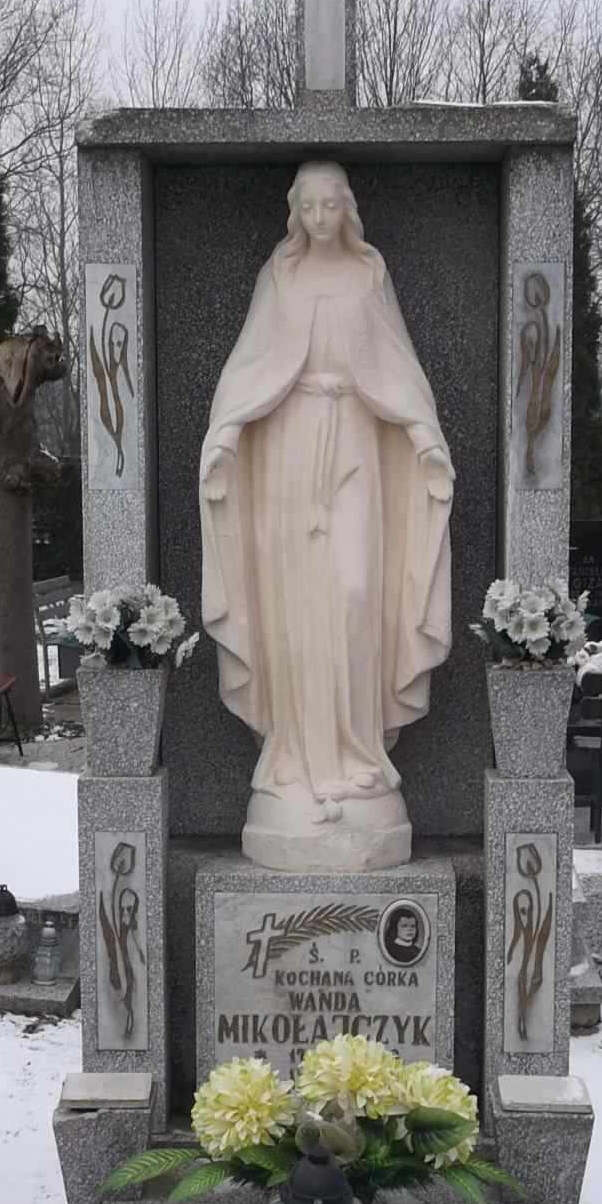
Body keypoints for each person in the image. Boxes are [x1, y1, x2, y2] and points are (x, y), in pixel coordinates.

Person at [199, 160, 454, 872]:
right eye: (307, 207)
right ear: (295, 211)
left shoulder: (370, 275)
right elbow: (249, 368)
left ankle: (358, 754)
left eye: (329, 206)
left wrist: (425, 436)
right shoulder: (279, 278)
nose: (318, 219)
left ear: (348, 208)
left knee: (354, 594)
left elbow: (398, 366)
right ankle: (293, 759)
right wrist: (224, 437)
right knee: (296, 606)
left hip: (358, 449)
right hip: (286, 451)